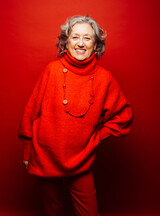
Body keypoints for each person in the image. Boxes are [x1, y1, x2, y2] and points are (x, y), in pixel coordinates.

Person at [18, 15, 133, 216]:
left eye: (87, 38)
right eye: (75, 37)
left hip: (81, 160)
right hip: (45, 157)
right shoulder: (52, 70)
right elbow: (31, 112)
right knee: (51, 211)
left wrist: (96, 137)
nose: (80, 43)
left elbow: (124, 116)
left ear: (96, 45)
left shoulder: (105, 78)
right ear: (66, 42)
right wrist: (28, 152)